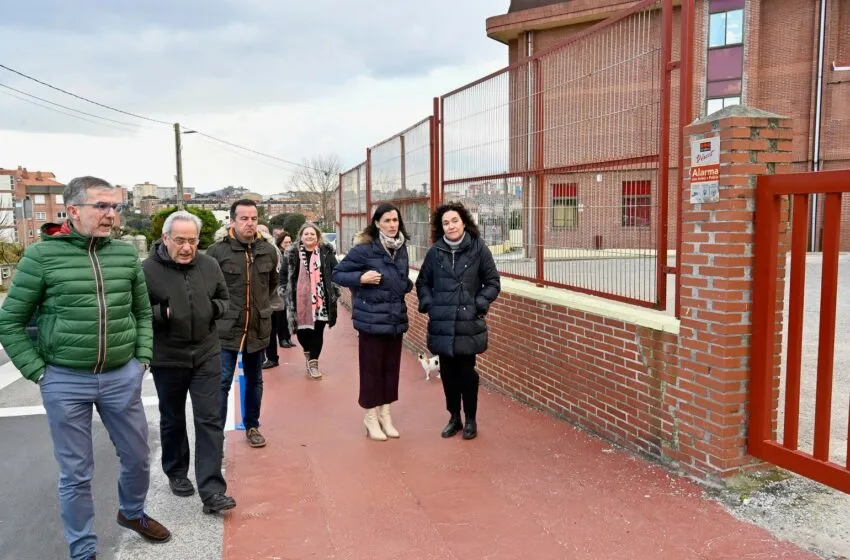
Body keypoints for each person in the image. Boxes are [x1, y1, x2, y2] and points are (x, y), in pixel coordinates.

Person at [0, 176, 171, 560]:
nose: (111, 215)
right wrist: (39, 372)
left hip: (120, 377)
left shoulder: (125, 254)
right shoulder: (41, 257)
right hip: (64, 379)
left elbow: (142, 312)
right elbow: (9, 321)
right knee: (76, 473)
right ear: (73, 210)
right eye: (102, 207)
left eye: (116, 207)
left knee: (138, 457)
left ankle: (132, 514)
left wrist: (140, 359)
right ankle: (83, 549)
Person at [142, 210, 236, 514]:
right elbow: (138, 310)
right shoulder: (147, 270)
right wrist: (162, 314)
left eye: (192, 241)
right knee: (172, 417)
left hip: (206, 353)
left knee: (209, 419)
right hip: (168, 357)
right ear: (166, 238)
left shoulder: (208, 265)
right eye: (180, 240)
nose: (186, 247)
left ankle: (212, 490)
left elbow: (225, 298)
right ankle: (176, 471)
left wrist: (212, 309)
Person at [415, 201, 501, 440]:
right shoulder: (435, 252)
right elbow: (423, 282)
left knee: (467, 373)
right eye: (445, 223)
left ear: (464, 222)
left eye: (454, 221)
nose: (450, 226)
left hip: (467, 322)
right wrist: (430, 304)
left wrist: (479, 304)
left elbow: (492, 282)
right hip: (442, 323)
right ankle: (454, 417)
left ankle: (471, 418)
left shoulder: (478, 248)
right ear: (440, 227)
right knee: (448, 374)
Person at [333, 204, 413, 440]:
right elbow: (337, 273)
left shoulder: (401, 249)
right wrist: (360, 278)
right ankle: (370, 416)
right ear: (377, 223)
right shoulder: (365, 250)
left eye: (395, 220)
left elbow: (401, 277)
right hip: (370, 320)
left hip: (395, 318)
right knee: (371, 370)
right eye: (387, 220)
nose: (392, 225)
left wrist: (406, 284)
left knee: (391, 369)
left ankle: (385, 414)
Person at [206, 199, 279, 448]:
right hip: (226, 328)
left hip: (258, 326)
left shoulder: (268, 250)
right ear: (233, 220)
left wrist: (264, 309)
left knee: (255, 379)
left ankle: (252, 426)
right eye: (244, 218)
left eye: (254, 218)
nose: (249, 223)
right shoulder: (217, 252)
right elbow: (208, 290)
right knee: (222, 380)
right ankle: (216, 433)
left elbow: (270, 286)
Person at [283, 222, 339, 379]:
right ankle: (308, 352)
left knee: (317, 330)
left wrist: (335, 290)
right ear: (301, 236)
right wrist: (283, 290)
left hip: (321, 299)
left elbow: (336, 271)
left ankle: (313, 362)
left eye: (312, 234)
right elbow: (283, 274)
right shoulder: (291, 254)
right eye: (306, 234)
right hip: (299, 299)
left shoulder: (326, 252)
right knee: (302, 332)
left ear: (318, 236)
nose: (309, 236)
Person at [257, 224, 285, 369]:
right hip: (267, 299)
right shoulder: (265, 249)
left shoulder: (271, 250)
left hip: (271, 299)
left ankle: (272, 357)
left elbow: (276, 276)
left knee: (270, 330)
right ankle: (265, 356)